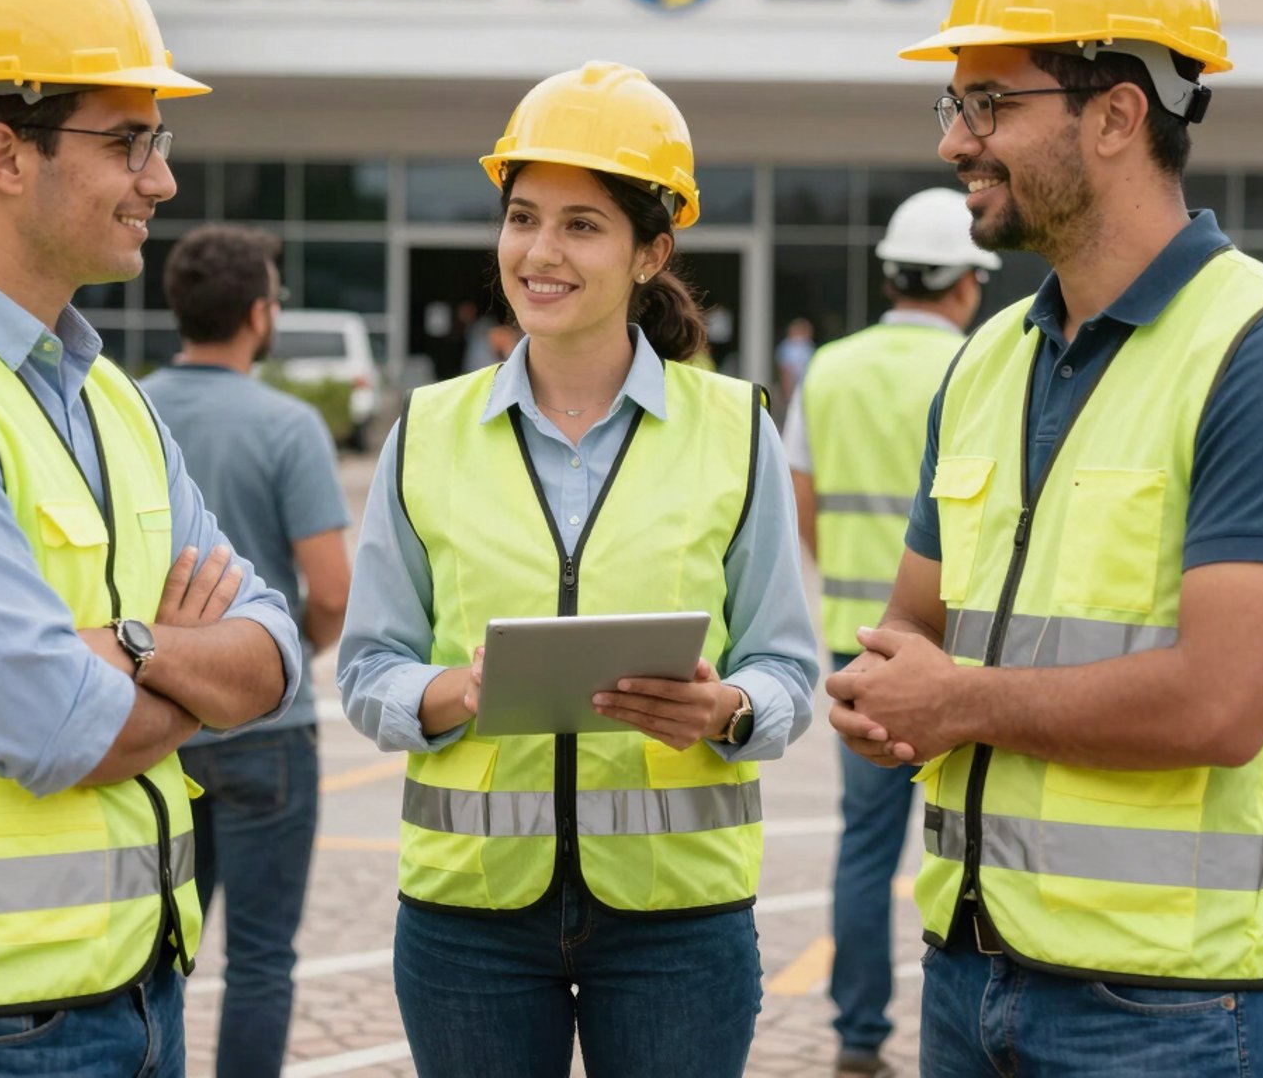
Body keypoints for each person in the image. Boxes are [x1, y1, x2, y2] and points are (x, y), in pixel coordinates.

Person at [826, 0, 1263, 1076]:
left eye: (990, 103)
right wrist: (879, 695)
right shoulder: (986, 360)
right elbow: (915, 628)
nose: (955, 142)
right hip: (967, 976)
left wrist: (957, 703)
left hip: (1173, 1013)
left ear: (1118, 114)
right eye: (954, 104)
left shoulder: (1258, 352)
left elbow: (1222, 706)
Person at [0, 0, 302, 1076]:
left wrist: (131, 649)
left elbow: (276, 653)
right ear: (4, 154)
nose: (162, 180)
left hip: (138, 997)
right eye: (129, 141)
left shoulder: (111, 399)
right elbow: (61, 731)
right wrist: (189, 667)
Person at [337, 61, 818, 1078]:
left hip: (677, 920)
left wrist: (727, 709)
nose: (540, 252)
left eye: (582, 225)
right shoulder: (427, 430)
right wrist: (454, 692)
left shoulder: (736, 432)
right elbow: (368, 666)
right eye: (522, 218)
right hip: (469, 920)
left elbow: (787, 667)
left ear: (652, 253)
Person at [783, 188, 999, 1078]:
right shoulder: (988, 362)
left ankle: (858, 1033)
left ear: (890, 275)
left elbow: (802, 500)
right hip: (964, 656)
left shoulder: (827, 368)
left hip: (859, 650)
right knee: (983, 841)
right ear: (966, 284)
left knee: (866, 847)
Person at [142, 225, 353, 1078]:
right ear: (260, 315)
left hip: (154, 717)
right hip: (268, 732)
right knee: (261, 960)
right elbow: (331, 590)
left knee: (153, 950)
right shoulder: (288, 426)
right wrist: (281, 658)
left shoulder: (123, 409)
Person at [775, 316, 816, 408]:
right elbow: (785, 372)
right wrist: (787, 393)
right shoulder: (788, 347)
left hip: (806, 388)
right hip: (794, 389)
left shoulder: (809, 347)